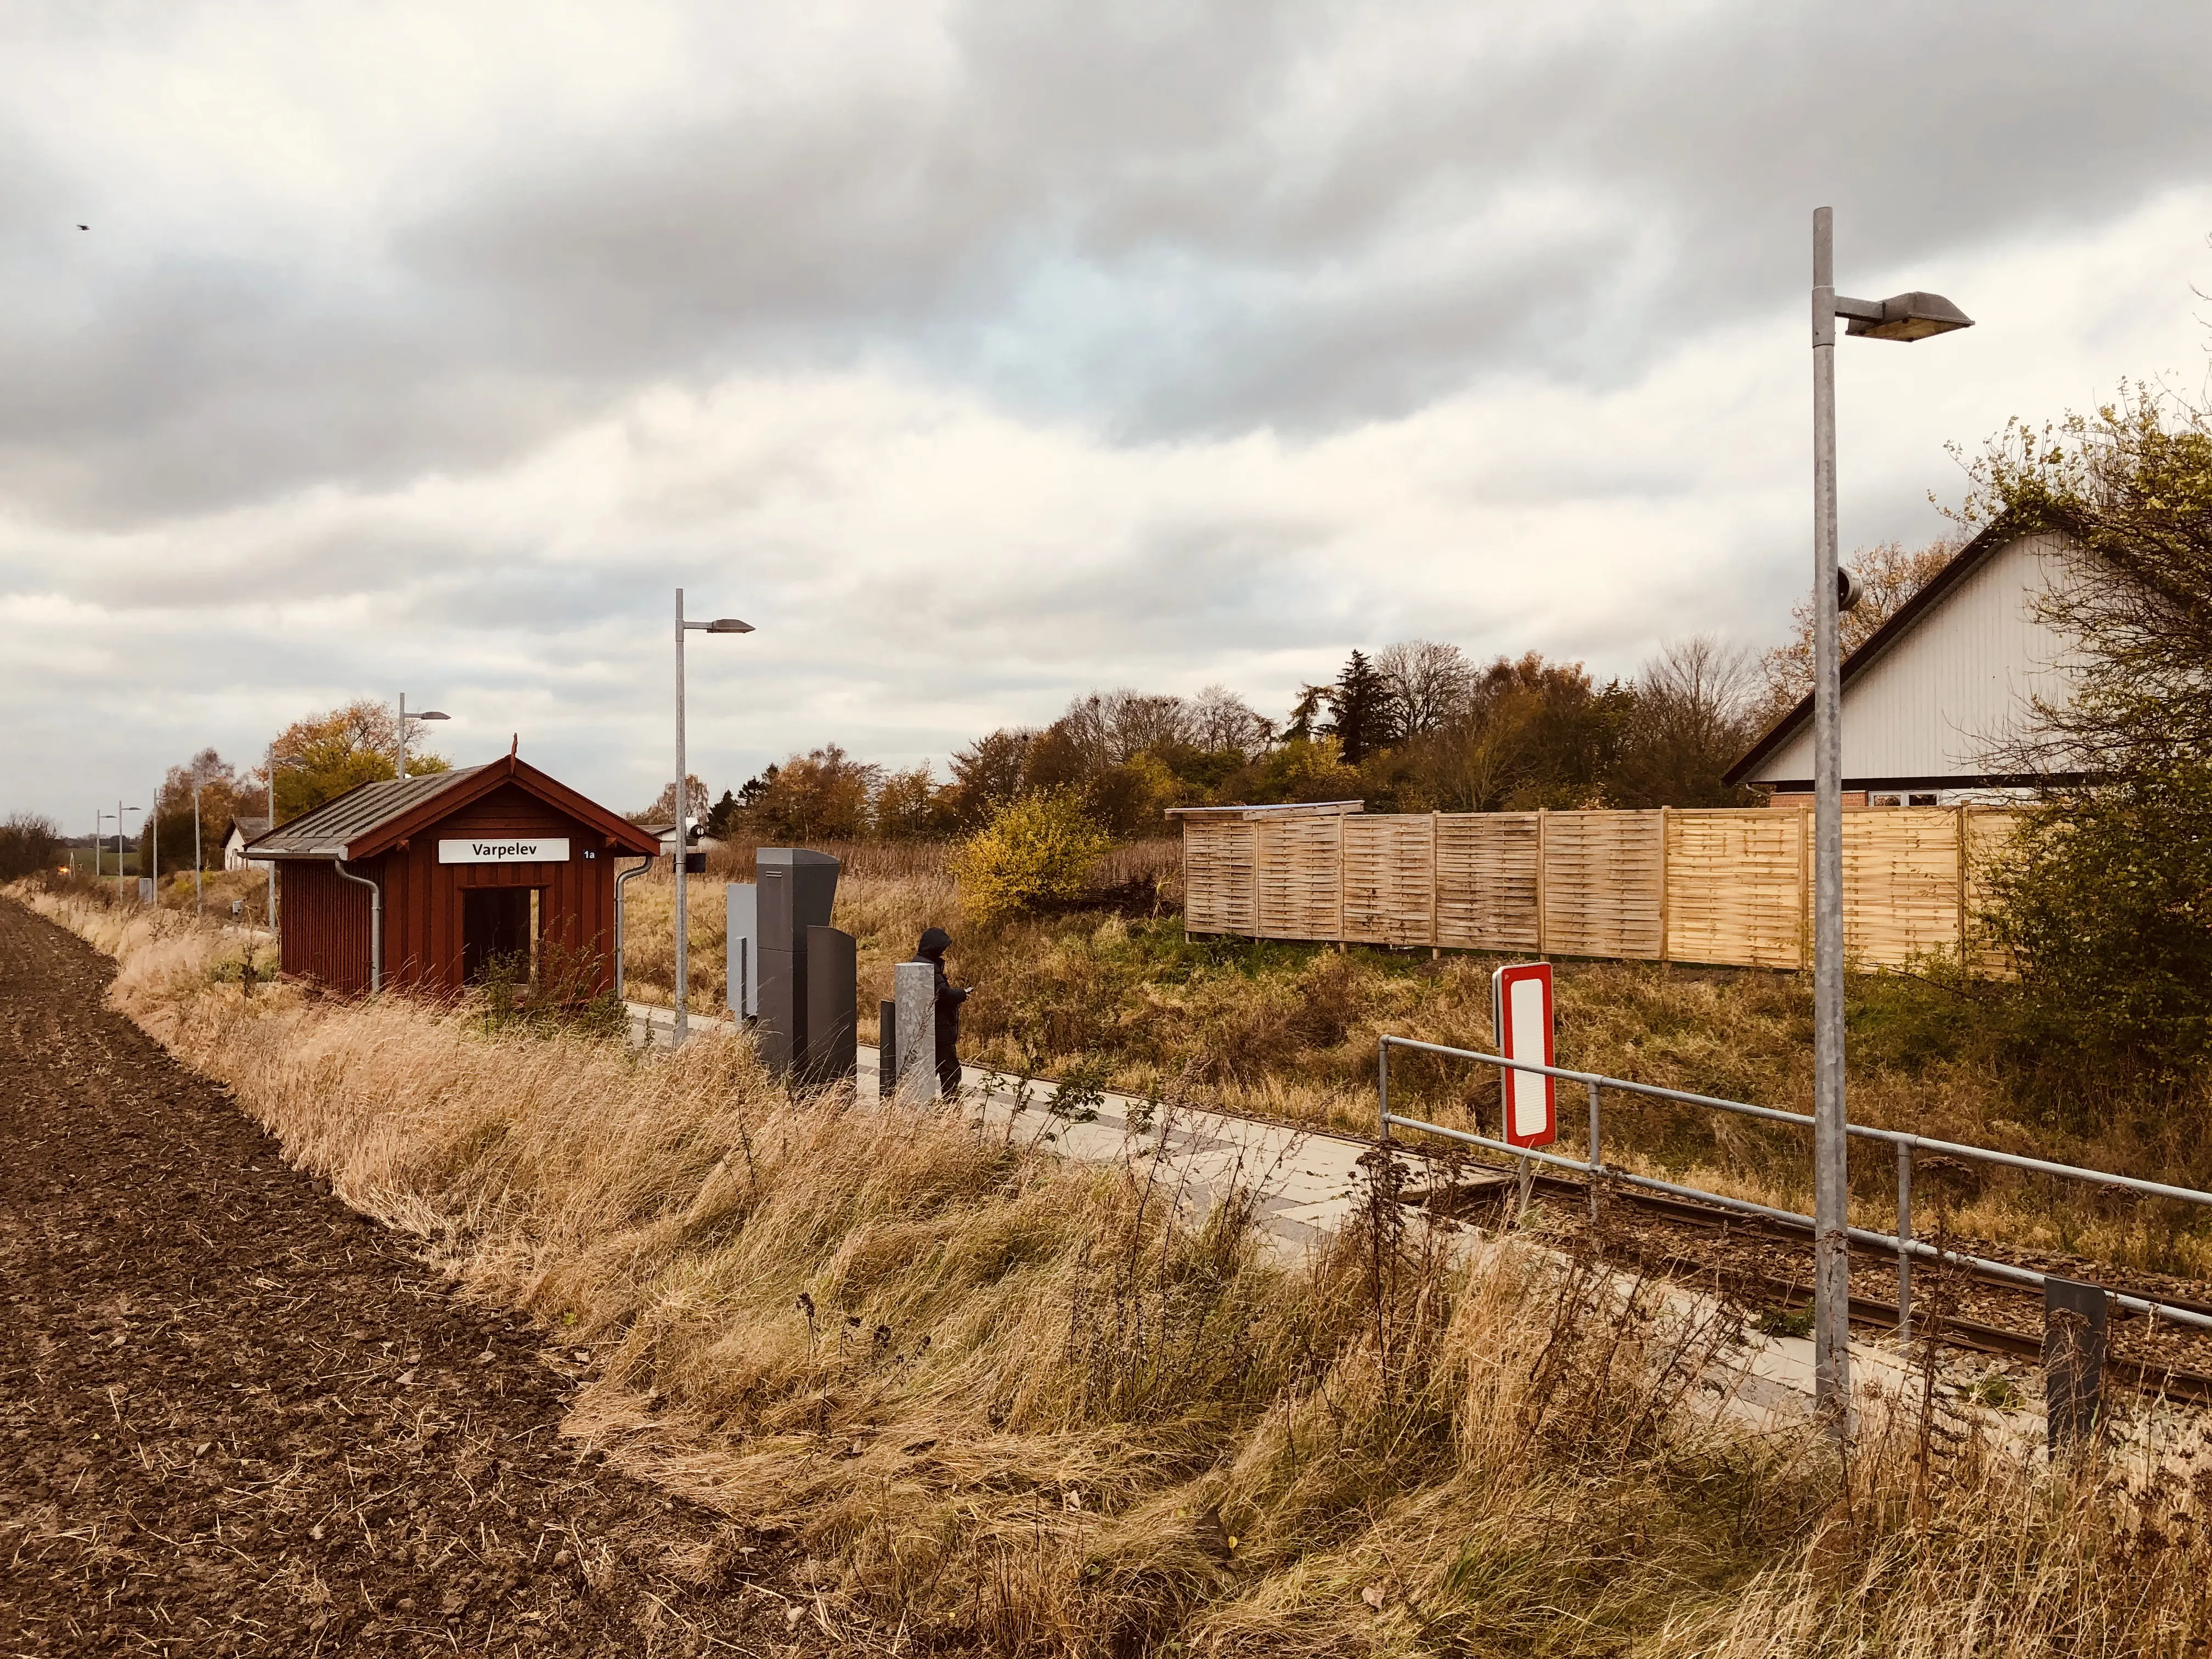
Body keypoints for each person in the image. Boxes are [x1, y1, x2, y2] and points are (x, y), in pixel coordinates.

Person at [915, 927, 969, 1097]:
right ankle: (949, 1110)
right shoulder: (928, 967)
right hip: (940, 1030)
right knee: (951, 1072)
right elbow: (941, 994)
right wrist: (962, 994)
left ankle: (929, 1108)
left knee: (931, 1071)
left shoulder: (921, 963)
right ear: (935, 948)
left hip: (933, 1029)